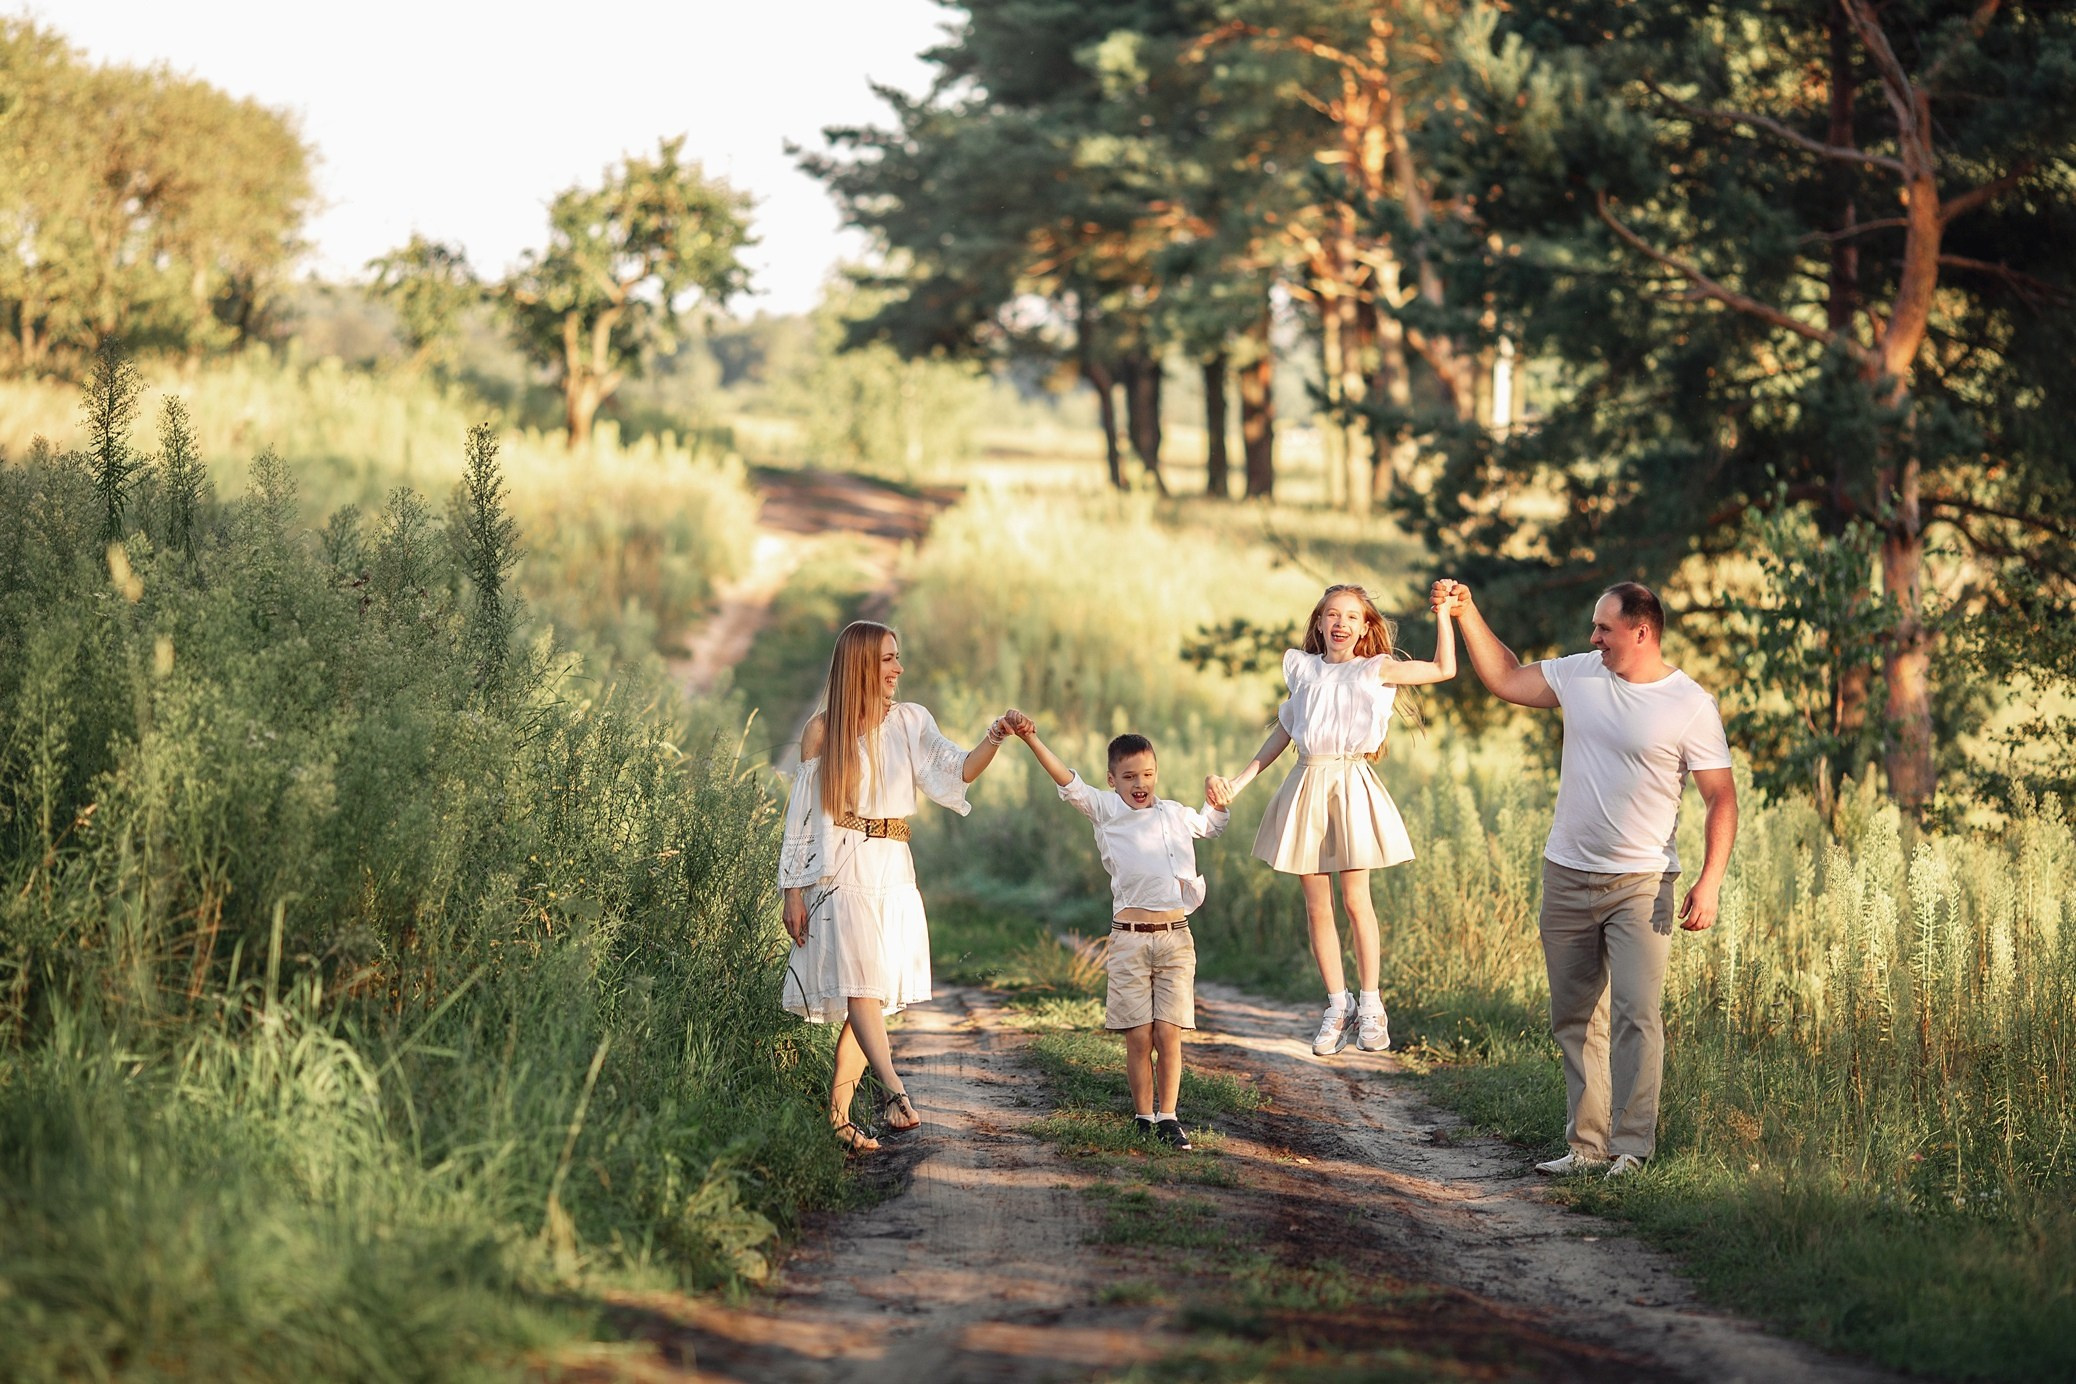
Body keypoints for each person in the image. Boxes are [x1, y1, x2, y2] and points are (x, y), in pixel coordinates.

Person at [1432, 578, 1737, 1179]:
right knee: (1575, 1017)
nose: (1593, 637)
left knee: (1635, 1015)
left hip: (1642, 883)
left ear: (1641, 632)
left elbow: (1721, 798)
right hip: (1567, 873)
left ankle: (1631, 1150)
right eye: (1595, 628)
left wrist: (1711, 881)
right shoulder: (1580, 673)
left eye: (1604, 628)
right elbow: (1505, 678)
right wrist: (1467, 613)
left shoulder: (1689, 705)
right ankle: (1587, 1148)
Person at [779, 619, 1014, 1153]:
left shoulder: (911, 721)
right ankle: (895, 1093)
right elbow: (802, 818)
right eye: (888, 659)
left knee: (871, 995)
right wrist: (793, 890)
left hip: (894, 866)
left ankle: (838, 1118)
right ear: (862, 664)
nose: (899, 669)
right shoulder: (823, 731)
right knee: (862, 986)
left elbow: (959, 770)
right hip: (842, 867)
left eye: (897, 658)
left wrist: (996, 736)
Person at [1206, 584, 1456, 1057]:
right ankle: (1338, 1007)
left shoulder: (1374, 669)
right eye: (1332, 615)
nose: (1341, 623)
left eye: (1351, 617)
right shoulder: (1302, 670)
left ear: (1364, 628)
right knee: (1317, 906)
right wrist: (1236, 784)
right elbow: (1283, 734)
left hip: (1350, 784)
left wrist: (1443, 613)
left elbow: (1445, 668)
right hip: (1307, 783)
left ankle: (1372, 1006)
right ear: (1319, 623)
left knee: (1356, 899)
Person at [1005, 714, 1227, 1148]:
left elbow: (1213, 824)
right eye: (1128, 777)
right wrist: (1031, 738)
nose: (1139, 784)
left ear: (1156, 773)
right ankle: (1143, 1117)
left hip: (1176, 938)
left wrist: (1216, 795)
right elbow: (1068, 781)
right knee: (1139, 1035)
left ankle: (1169, 1117)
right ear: (1112, 780)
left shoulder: (1176, 814)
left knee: (1169, 1033)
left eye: (1147, 774)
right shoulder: (1106, 811)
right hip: (1129, 939)